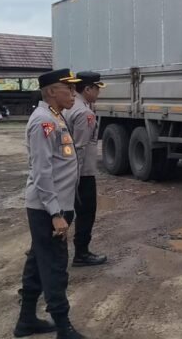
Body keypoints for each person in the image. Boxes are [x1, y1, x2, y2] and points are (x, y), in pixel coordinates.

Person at [14, 68, 88, 339]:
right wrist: (56, 213)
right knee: (55, 265)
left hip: (55, 204)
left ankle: (26, 321)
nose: (72, 93)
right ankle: (63, 326)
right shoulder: (44, 122)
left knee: (38, 261)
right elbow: (42, 172)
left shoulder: (55, 117)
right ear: (50, 92)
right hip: (49, 208)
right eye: (67, 89)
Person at [62, 71, 107, 267]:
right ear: (88, 88)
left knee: (65, 213)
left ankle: (44, 248)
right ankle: (81, 253)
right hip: (82, 174)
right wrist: (76, 178)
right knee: (86, 213)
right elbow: (78, 148)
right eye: (97, 88)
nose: (98, 92)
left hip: (68, 171)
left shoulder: (69, 107)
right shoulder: (84, 113)